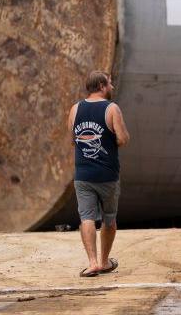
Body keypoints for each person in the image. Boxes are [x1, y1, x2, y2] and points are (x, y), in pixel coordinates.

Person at [67, 70, 130, 277]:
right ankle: (104, 262)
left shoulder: (75, 109)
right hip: (107, 176)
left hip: (83, 175)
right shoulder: (112, 108)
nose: (112, 87)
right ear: (102, 86)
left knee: (86, 217)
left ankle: (92, 262)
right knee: (109, 219)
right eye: (110, 84)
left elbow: (73, 139)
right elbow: (122, 139)